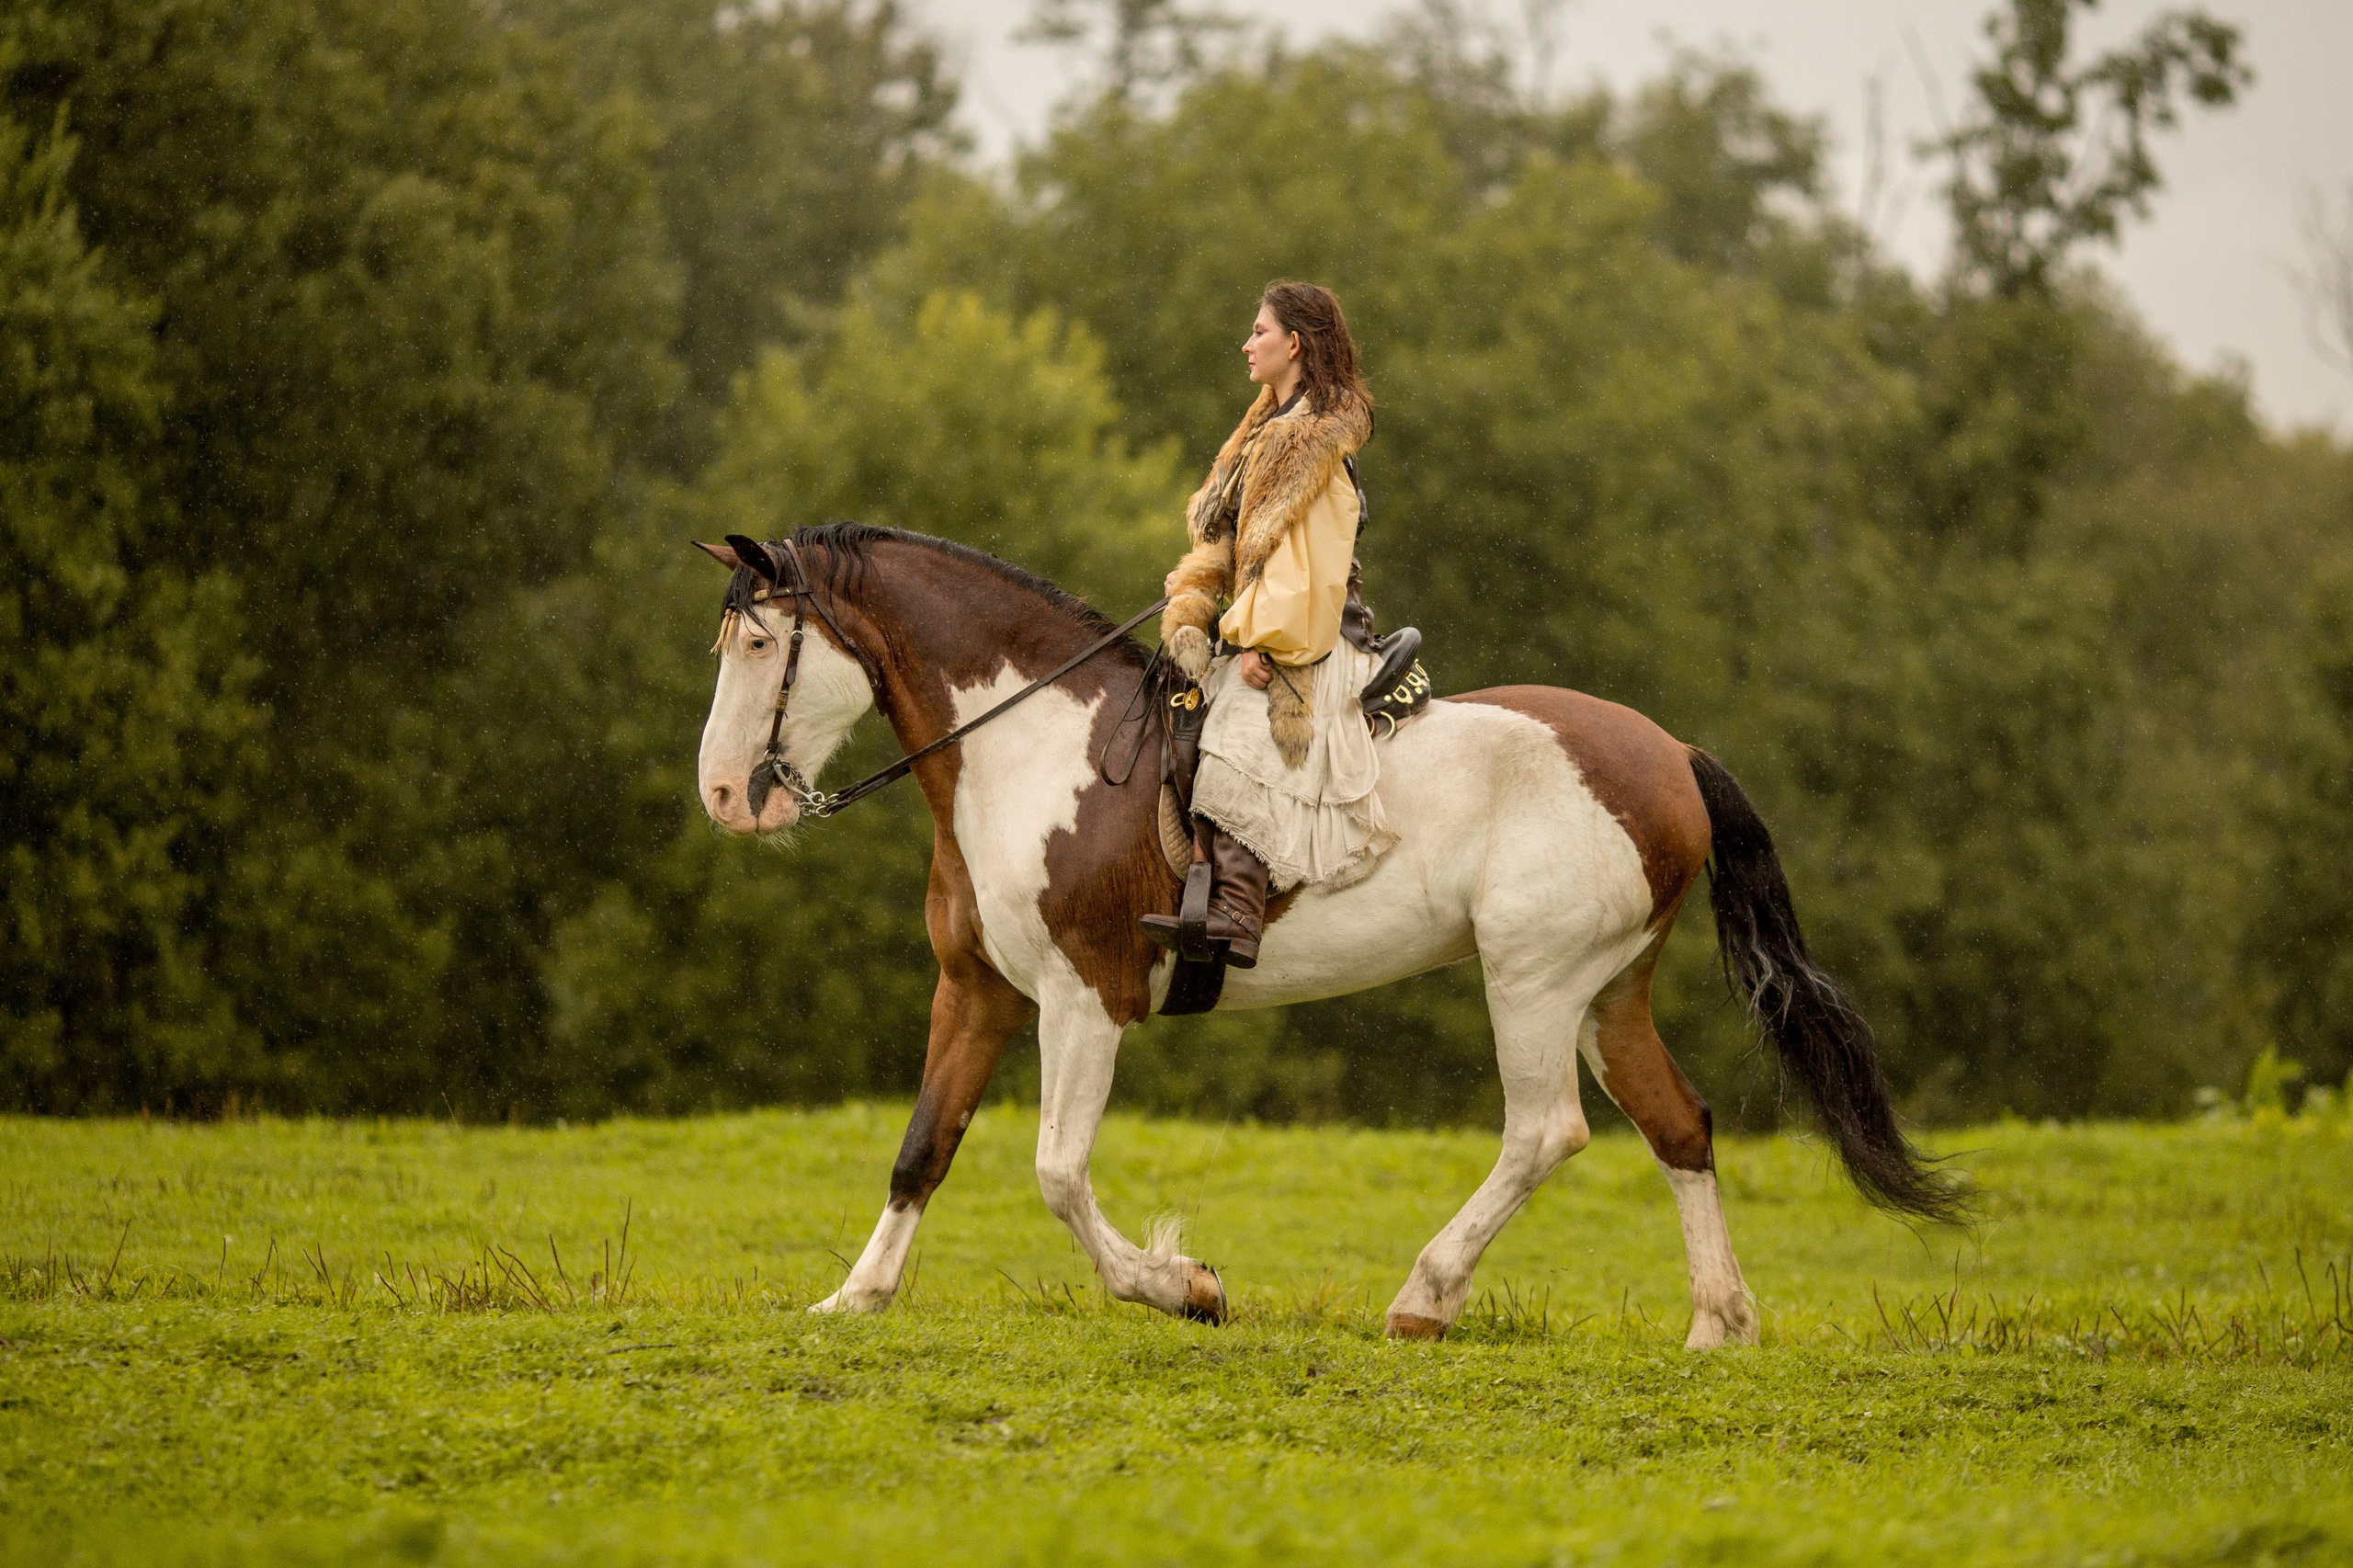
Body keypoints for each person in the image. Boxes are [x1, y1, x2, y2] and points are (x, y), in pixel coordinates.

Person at [1141, 280, 1396, 969]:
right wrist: (1191, 595)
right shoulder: (1264, 432)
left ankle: (1235, 914)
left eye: (1259, 331)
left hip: (1310, 634)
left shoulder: (1311, 443)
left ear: (1295, 344)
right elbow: (1233, 544)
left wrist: (1256, 643)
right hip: (1268, 620)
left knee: (1234, 732)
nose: (1246, 343)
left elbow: (1309, 573)